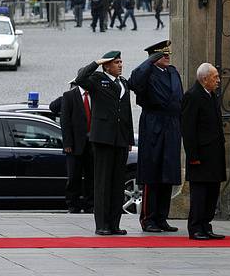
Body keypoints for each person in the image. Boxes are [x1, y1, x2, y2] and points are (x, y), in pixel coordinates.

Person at [74, 51, 134, 235]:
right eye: (116, 62)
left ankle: (114, 224)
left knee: (117, 184)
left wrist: (129, 138)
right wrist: (97, 61)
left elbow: (127, 113)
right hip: (103, 139)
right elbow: (80, 78)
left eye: (121, 62)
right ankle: (102, 224)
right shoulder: (98, 80)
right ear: (107, 65)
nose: (120, 65)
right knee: (103, 183)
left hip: (120, 139)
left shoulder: (123, 83)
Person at [128, 40, 183, 233]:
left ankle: (161, 217)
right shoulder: (147, 73)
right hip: (153, 125)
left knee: (167, 174)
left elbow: (179, 98)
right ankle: (149, 218)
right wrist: (149, 61)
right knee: (153, 174)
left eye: (168, 54)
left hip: (172, 126)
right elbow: (133, 82)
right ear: (154, 57)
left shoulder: (173, 72)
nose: (167, 57)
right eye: (163, 55)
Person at [181, 63, 226, 240]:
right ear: (204, 79)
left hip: (214, 154)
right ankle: (196, 227)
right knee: (200, 193)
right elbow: (188, 129)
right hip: (200, 155)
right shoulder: (192, 96)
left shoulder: (211, 95)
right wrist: (193, 156)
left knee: (212, 192)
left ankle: (206, 224)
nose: (218, 81)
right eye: (215, 77)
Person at [60, 81, 94, 213]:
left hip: (92, 143)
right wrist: (67, 143)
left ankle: (90, 204)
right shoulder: (69, 96)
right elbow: (65, 120)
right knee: (74, 176)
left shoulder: (95, 95)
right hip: (75, 145)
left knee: (92, 176)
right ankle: (73, 204)